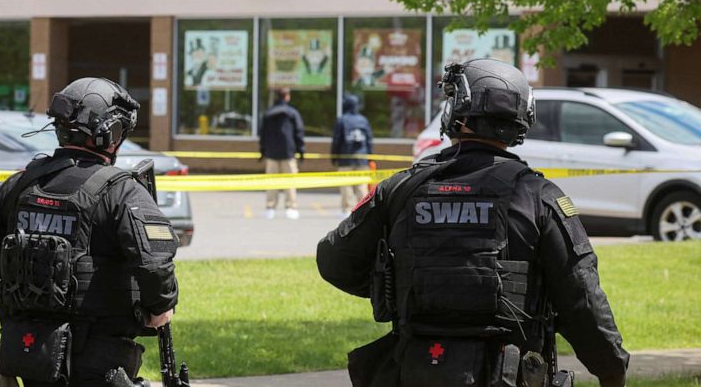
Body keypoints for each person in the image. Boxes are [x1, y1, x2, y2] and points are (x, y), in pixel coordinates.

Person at [316, 59, 629, 387]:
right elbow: (581, 296)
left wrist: (400, 287)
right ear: (521, 121)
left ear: (457, 114)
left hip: (416, 370)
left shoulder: (399, 190)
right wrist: (612, 369)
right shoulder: (538, 196)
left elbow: (334, 260)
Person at [0, 77, 179, 387]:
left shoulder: (17, 188)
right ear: (112, 133)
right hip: (100, 365)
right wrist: (161, 307)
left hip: (26, 362)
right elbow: (155, 266)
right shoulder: (122, 193)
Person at [259, 87, 305, 220]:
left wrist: (263, 151)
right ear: (287, 97)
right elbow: (299, 132)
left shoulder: (268, 113)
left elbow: (263, 134)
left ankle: (270, 208)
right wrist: (301, 150)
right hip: (288, 153)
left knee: (271, 182)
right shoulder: (292, 113)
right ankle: (291, 207)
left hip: (272, 153)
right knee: (290, 182)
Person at [331, 93, 374, 215]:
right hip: (362, 157)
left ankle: (347, 210)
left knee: (346, 184)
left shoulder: (342, 120)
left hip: (345, 157)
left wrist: (334, 156)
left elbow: (336, 140)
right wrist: (370, 156)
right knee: (361, 185)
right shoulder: (363, 120)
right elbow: (369, 140)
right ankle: (364, 211)